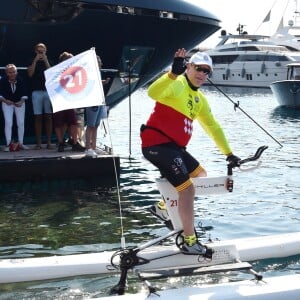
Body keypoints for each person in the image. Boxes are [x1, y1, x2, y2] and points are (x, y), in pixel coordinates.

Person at [140, 48, 240, 256]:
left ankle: (162, 207)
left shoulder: (200, 100)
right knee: (187, 190)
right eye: (199, 69)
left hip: (174, 148)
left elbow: (213, 127)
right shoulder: (176, 84)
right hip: (157, 144)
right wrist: (172, 74)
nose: (202, 74)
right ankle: (189, 241)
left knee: (200, 176)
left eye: (207, 71)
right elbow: (152, 93)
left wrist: (228, 153)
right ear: (188, 67)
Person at [53, 51, 85, 152]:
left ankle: (75, 143)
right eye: (69, 60)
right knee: (58, 122)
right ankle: (61, 143)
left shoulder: (75, 72)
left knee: (72, 122)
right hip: (58, 99)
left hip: (70, 100)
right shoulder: (56, 72)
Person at [28, 43, 53, 149]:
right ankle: (38, 143)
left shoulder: (49, 61)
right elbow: (30, 74)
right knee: (37, 117)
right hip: (36, 92)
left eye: (42, 51)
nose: (41, 53)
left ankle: (48, 142)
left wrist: (46, 60)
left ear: (45, 51)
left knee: (48, 117)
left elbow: (51, 73)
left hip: (47, 92)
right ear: (35, 52)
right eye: (39, 51)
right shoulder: (32, 61)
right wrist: (35, 60)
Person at [85, 55, 110, 156]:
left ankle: (94, 147)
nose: (101, 64)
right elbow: (89, 84)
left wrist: (104, 82)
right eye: (99, 62)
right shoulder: (90, 72)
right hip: (92, 101)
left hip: (100, 100)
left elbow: (97, 83)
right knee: (90, 125)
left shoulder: (98, 72)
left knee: (96, 125)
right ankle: (88, 148)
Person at [0, 64, 29, 151]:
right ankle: (8, 144)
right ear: (6, 73)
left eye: (14, 72)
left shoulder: (20, 80)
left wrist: (21, 101)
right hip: (7, 102)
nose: (12, 74)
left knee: (20, 122)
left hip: (19, 103)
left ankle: (20, 143)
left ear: (16, 72)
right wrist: (5, 101)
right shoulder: (2, 81)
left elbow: (25, 92)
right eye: (10, 72)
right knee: (8, 122)